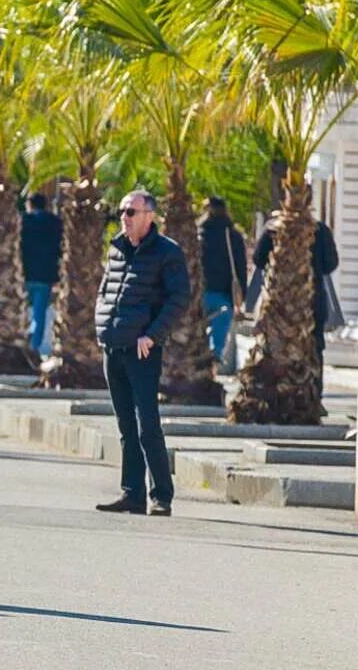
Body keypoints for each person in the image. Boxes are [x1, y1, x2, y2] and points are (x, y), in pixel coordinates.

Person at [94, 190, 189, 517]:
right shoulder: (118, 248)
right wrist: (101, 327)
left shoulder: (167, 253)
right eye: (122, 211)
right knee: (125, 426)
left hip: (142, 350)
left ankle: (161, 494)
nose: (125, 217)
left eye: (131, 211)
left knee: (147, 424)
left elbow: (179, 299)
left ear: (150, 215)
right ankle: (131, 493)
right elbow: (106, 289)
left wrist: (152, 335)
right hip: (114, 347)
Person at [251, 211, 340, 365]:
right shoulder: (320, 231)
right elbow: (331, 264)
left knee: (275, 348)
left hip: (278, 302)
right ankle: (313, 385)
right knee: (314, 348)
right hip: (312, 300)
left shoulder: (274, 228)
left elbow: (258, 259)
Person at [199, 195, 249, 358]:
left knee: (193, 335)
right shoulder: (233, 236)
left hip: (199, 292)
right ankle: (214, 358)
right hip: (224, 294)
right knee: (218, 339)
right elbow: (240, 267)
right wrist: (242, 296)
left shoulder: (198, 233)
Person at [21, 192, 63, 356]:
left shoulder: (24, 221)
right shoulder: (55, 222)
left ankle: (21, 341)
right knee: (39, 314)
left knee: (21, 311)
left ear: (29, 205)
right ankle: (34, 346)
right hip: (46, 275)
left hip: (25, 273)